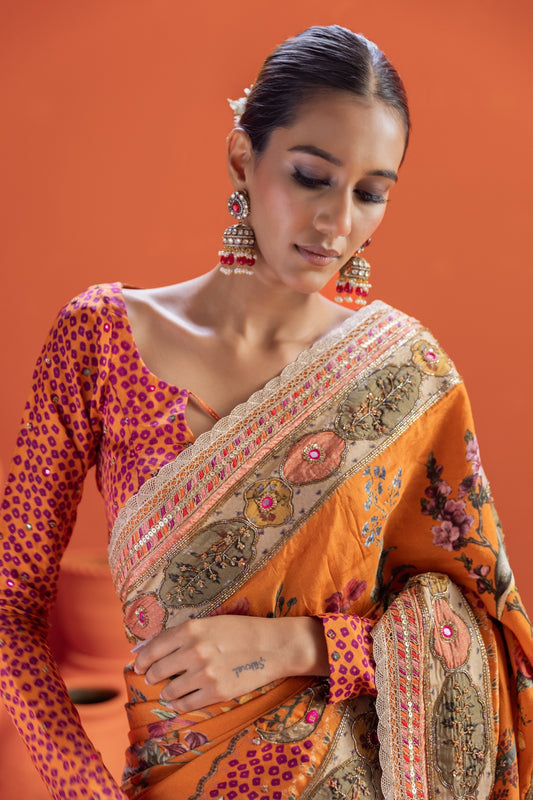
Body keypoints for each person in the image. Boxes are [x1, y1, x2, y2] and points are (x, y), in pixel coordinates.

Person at [0, 24, 531, 800]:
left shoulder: (406, 376)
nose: (337, 223)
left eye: (370, 193)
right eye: (311, 177)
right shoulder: (101, 338)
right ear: (241, 159)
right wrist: (86, 794)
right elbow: (11, 609)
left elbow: (484, 636)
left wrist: (303, 647)